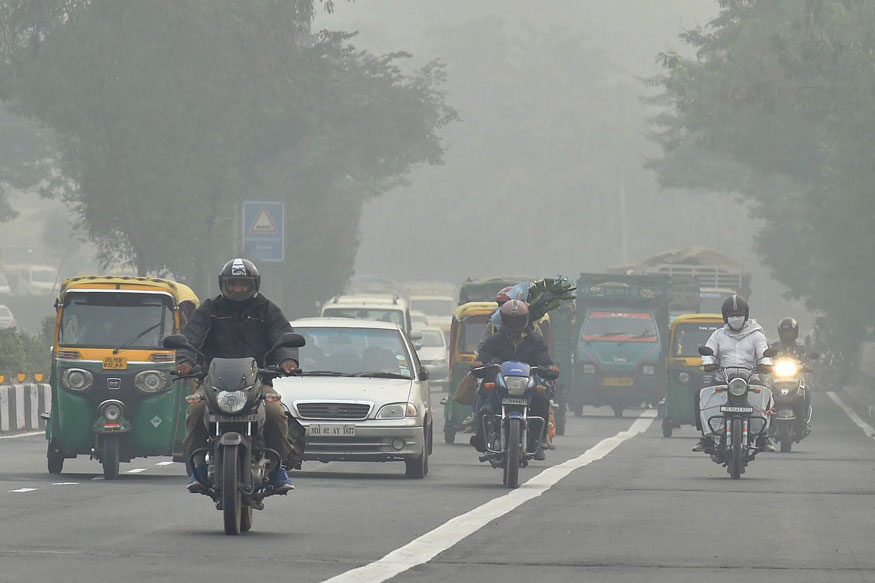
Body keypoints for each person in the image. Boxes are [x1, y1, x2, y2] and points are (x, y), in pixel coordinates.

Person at [176, 258, 299, 493]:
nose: (238, 289)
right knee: (196, 410)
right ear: (224, 284)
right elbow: (190, 336)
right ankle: (198, 467)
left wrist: (287, 359)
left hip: (258, 381)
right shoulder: (211, 309)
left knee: (275, 412)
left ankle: (277, 468)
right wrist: (185, 362)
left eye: (243, 284)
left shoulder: (266, 309)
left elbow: (283, 333)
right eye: (233, 284)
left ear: (254, 284)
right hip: (213, 384)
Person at [469, 300, 558, 461]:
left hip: (527, 383)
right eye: (510, 320)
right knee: (483, 396)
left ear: (526, 320)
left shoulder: (536, 340)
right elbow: (484, 354)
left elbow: (545, 359)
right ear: (503, 319)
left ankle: (537, 441)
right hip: (501, 383)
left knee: (542, 401)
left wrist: (549, 368)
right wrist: (479, 363)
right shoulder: (495, 339)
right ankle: (481, 434)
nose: (514, 324)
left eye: (518, 320)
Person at [693, 294, 775, 453]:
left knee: (767, 395)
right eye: (732, 315)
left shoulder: (756, 335)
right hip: (723, 379)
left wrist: (766, 364)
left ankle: (763, 436)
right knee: (700, 395)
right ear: (725, 317)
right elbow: (708, 352)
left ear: (746, 315)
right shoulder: (718, 335)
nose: (736, 318)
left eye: (739, 315)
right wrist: (708, 362)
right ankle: (706, 437)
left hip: (750, 380)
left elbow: (764, 353)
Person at [770, 316, 812, 435]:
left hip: (795, 379)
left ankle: (803, 422)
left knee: (806, 391)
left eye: (790, 331)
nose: (787, 334)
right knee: (765, 392)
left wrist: (807, 365)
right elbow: (765, 357)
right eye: (785, 332)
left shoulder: (800, 348)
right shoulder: (774, 347)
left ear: (795, 332)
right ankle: (766, 424)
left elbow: (807, 360)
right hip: (776, 378)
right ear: (780, 332)